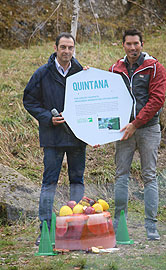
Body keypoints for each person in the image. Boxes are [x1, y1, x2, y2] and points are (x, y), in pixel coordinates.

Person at [23, 32, 86, 245]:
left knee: (77, 182)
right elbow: (29, 101)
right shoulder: (42, 73)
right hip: (52, 138)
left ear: (74, 49)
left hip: (77, 138)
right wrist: (48, 118)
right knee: (49, 183)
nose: (67, 51)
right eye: (63, 47)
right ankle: (46, 230)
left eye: (70, 48)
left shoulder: (82, 72)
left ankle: (77, 228)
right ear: (55, 47)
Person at [109, 29, 166, 240]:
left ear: (142, 44)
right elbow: (106, 98)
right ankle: (119, 224)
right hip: (124, 130)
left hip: (149, 129)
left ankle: (151, 226)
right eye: (129, 44)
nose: (133, 48)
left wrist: (136, 123)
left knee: (149, 175)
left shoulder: (155, 68)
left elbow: (156, 100)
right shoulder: (115, 69)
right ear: (122, 45)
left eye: (136, 43)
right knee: (120, 174)